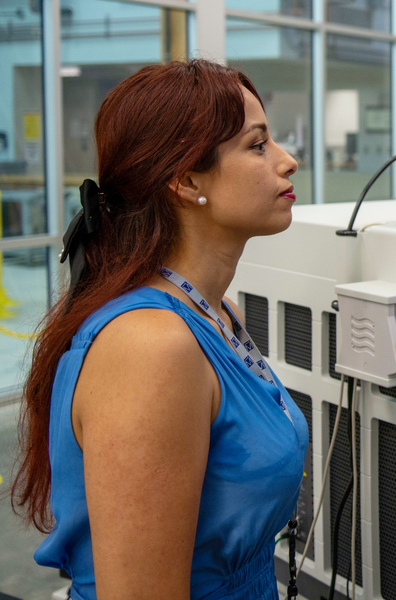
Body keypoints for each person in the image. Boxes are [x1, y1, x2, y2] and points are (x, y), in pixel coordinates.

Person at [10, 60, 306, 600]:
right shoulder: (152, 346)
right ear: (187, 180)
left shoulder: (219, 314)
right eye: (257, 145)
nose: (289, 161)